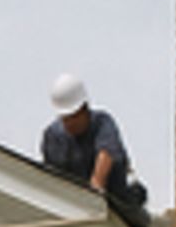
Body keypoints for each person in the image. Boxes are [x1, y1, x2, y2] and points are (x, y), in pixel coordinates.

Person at [40, 74, 147, 211]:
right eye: (65, 118)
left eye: (74, 117)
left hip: (116, 203)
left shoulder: (102, 123)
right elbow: (50, 176)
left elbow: (106, 153)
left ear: (84, 109)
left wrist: (95, 190)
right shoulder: (53, 137)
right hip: (72, 205)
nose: (69, 124)